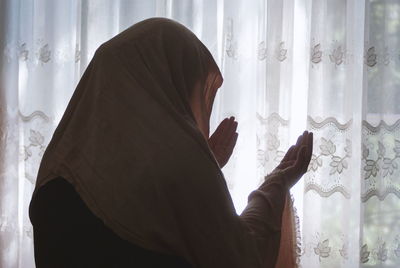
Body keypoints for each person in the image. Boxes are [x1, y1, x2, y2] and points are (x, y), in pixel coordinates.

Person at [29, 18, 313, 268]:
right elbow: (240, 256)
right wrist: (277, 183)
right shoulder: (181, 171)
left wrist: (204, 169)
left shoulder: (59, 165)